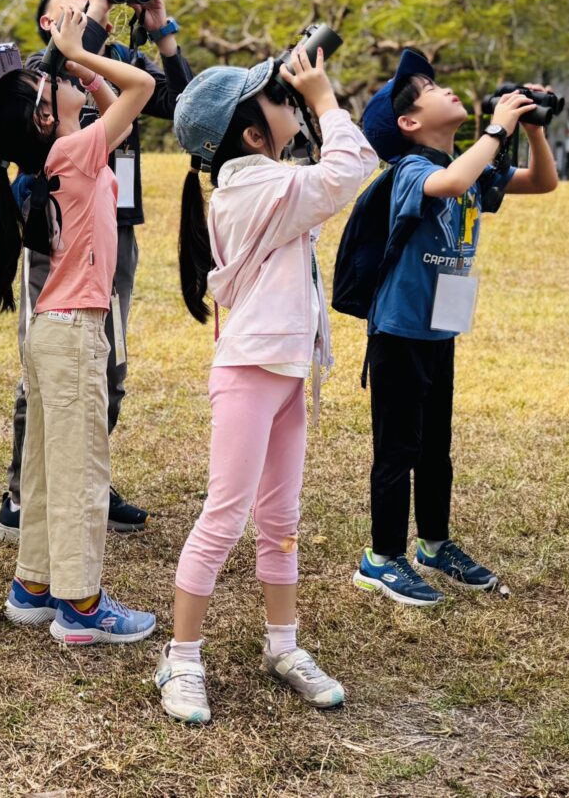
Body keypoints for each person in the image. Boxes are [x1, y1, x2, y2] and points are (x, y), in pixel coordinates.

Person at [152, 47, 376, 724]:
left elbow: (333, 172)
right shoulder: (255, 188)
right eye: (278, 98)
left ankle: (284, 646)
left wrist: (306, 100)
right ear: (251, 134)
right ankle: (181, 656)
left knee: (280, 520)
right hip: (251, 373)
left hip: (285, 372)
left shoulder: (269, 179)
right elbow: (354, 166)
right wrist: (327, 98)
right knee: (224, 515)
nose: (293, 101)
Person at [0, 0, 194, 545]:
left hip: (114, 225)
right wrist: (92, 28)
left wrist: (163, 33)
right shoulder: (41, 69)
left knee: (111, 365)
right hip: (55, 234)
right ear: (47, 21)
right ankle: (22, 494)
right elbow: (70, 70)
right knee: (47, 367)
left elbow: (183, 107)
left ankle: (86, 480)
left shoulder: (107, 57)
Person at [350, 51, 559, 607]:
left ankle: (435, 544)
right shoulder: (412, 171)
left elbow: (543, 182)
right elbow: (450, 182)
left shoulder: (474, 164)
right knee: (397, 448)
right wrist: (498, 126)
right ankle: (381, 557)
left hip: (440, 329)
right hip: (398, 331)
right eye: (429, 88)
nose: (444, 89)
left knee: (435, 447)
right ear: (409, 123)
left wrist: (533, 129)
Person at [0, 6, 158, 646]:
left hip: (49, 329)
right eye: (47, 78)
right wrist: (74, 51)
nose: (54, 72)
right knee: (82, 468)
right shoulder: (75, 151)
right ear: (41, 114)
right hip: (75, 332)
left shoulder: (62, 153)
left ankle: (33, 583)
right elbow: (143, 91)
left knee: (44, 466)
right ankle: (81, 604)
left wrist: (80, 72)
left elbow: (122, 105)